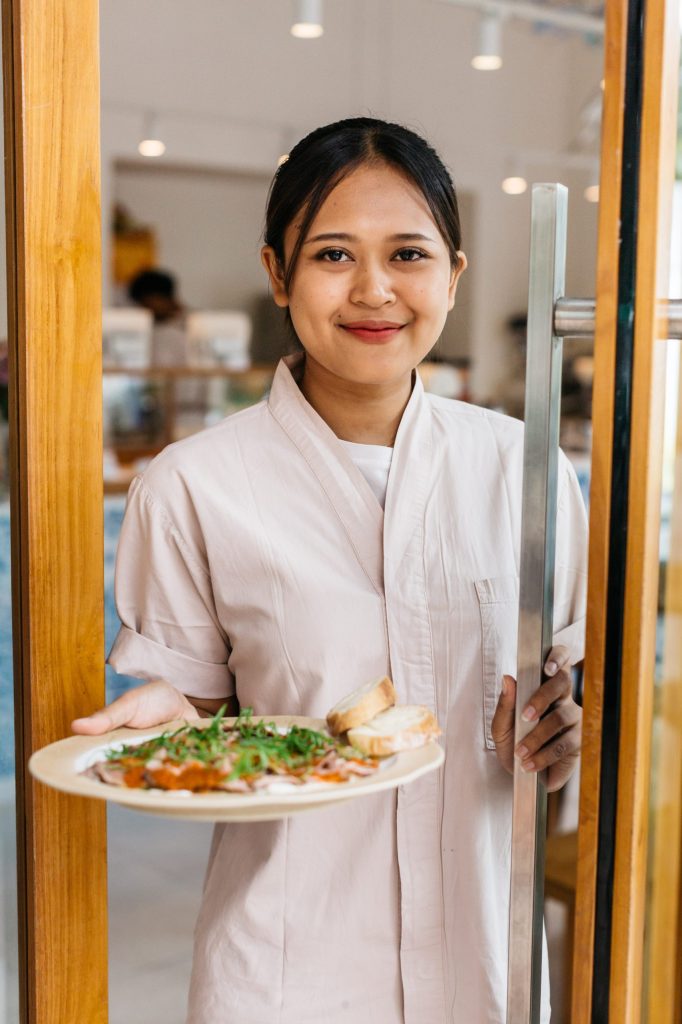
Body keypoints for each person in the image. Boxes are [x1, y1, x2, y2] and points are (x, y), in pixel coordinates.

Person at [74, 118, 587, 1024]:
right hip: (284, 966)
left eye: (409, 254)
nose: (375, 290)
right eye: (334, 254)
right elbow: (200, 709)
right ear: (278, 272)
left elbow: (569, 698)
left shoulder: (527, 472)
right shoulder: (193, 485)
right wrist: (175, 717)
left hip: (487, 956)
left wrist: (564, 733)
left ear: (455, 275)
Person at [128, 267, 188, 367]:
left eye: (147, 303)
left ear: (164, 298)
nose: (144, 309)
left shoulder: (192, 324)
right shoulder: (150, 327)